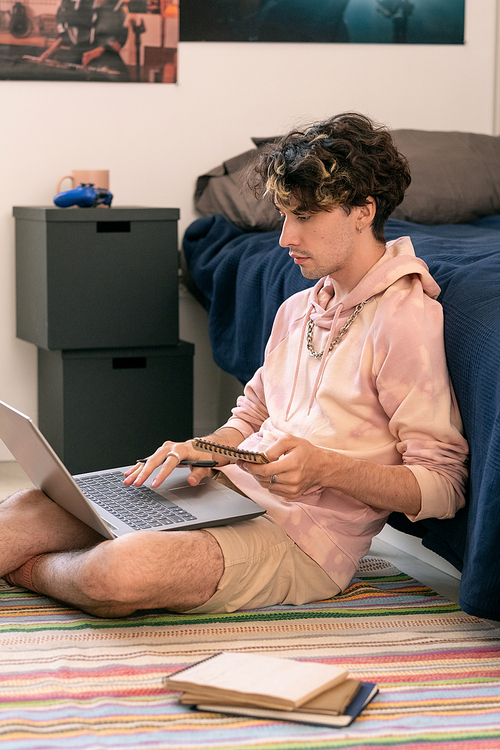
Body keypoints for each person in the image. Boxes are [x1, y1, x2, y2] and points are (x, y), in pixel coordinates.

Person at [0, 112, 468, 618]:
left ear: (363, 210)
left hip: (302, 538)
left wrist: (328, 468)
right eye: (284, 215)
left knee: (119, 571)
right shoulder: (298, 309)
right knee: (19, 514)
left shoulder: (406, 319)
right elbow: (249, 419)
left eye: (304, 217)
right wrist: (198, 450)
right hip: (227, 489)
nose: (285, 238)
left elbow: (444, 487)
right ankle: (72, 556)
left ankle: (37, 572)